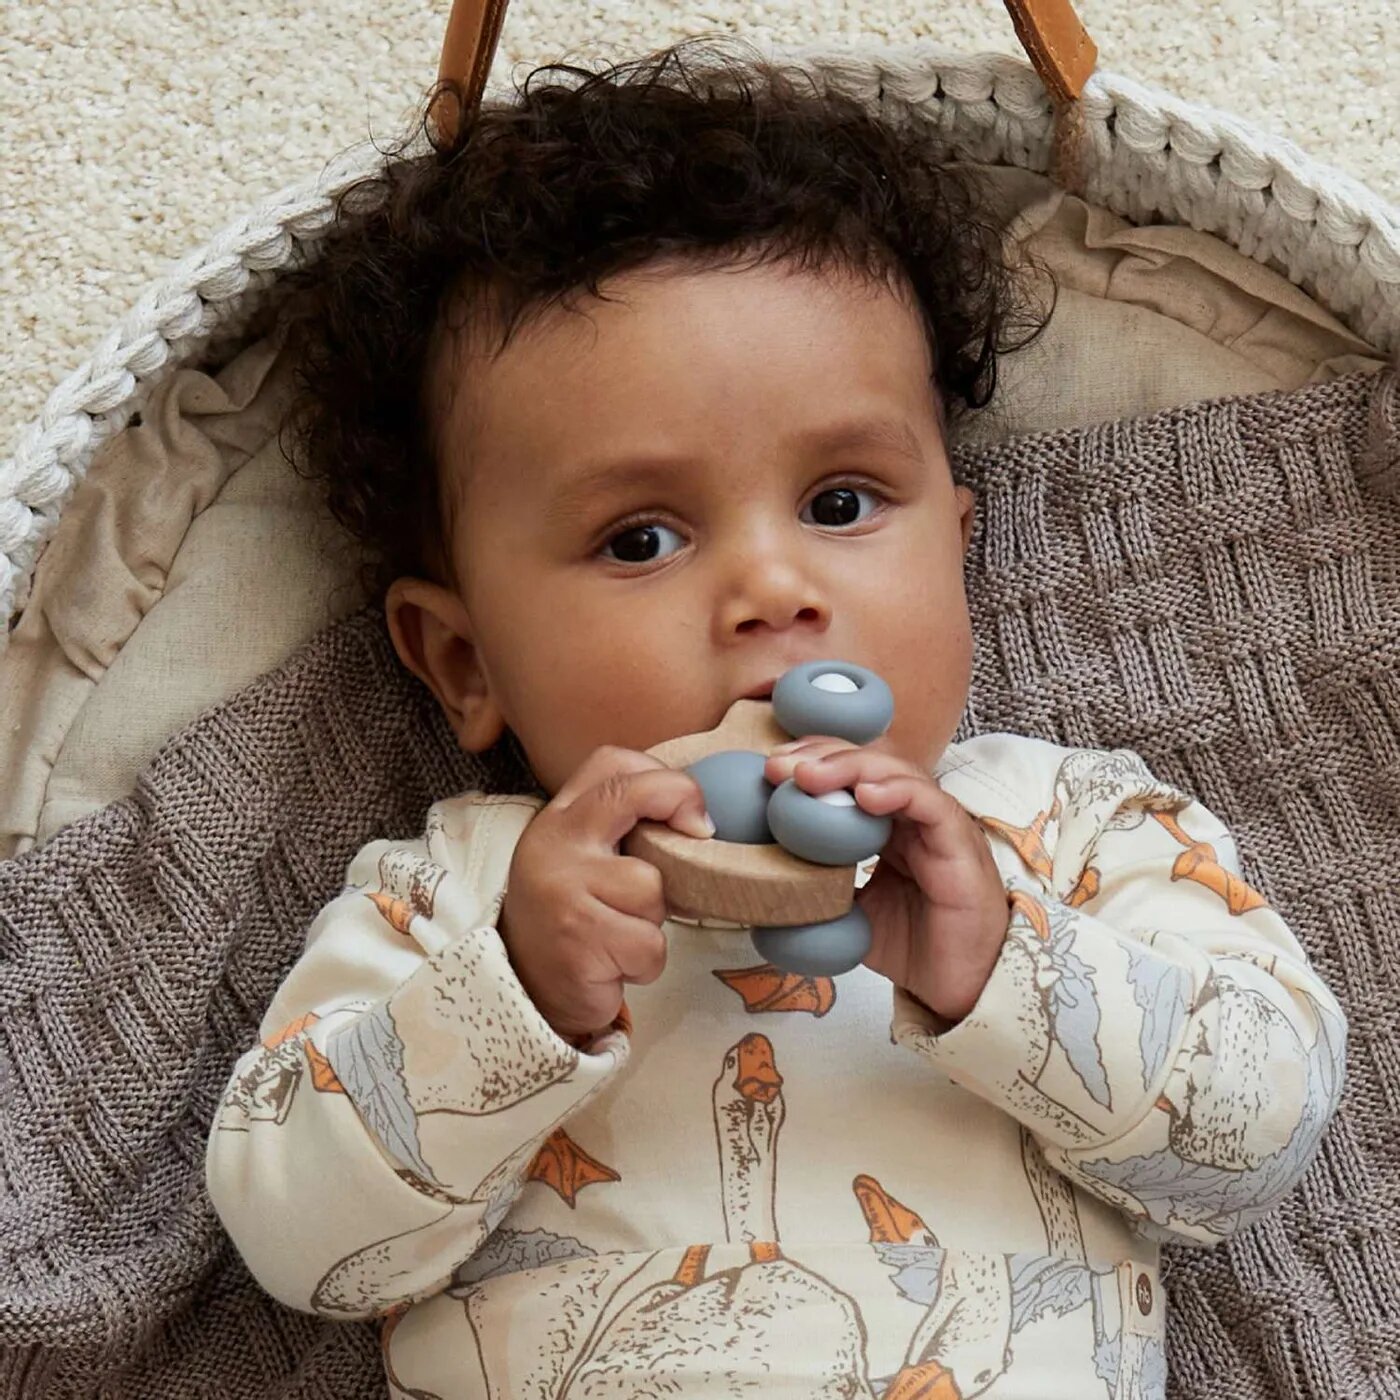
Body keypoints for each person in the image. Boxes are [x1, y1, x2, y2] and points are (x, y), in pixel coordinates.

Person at [206, 38, 1346, 1399]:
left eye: (841, 504)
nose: (772, 591)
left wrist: (1010, 967)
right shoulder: (455, 899)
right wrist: (509, 1000)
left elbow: (1261, 1137)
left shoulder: (1071, 833)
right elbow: (299, 1243)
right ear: (464, 662)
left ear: (958, 557)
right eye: (641, 538)